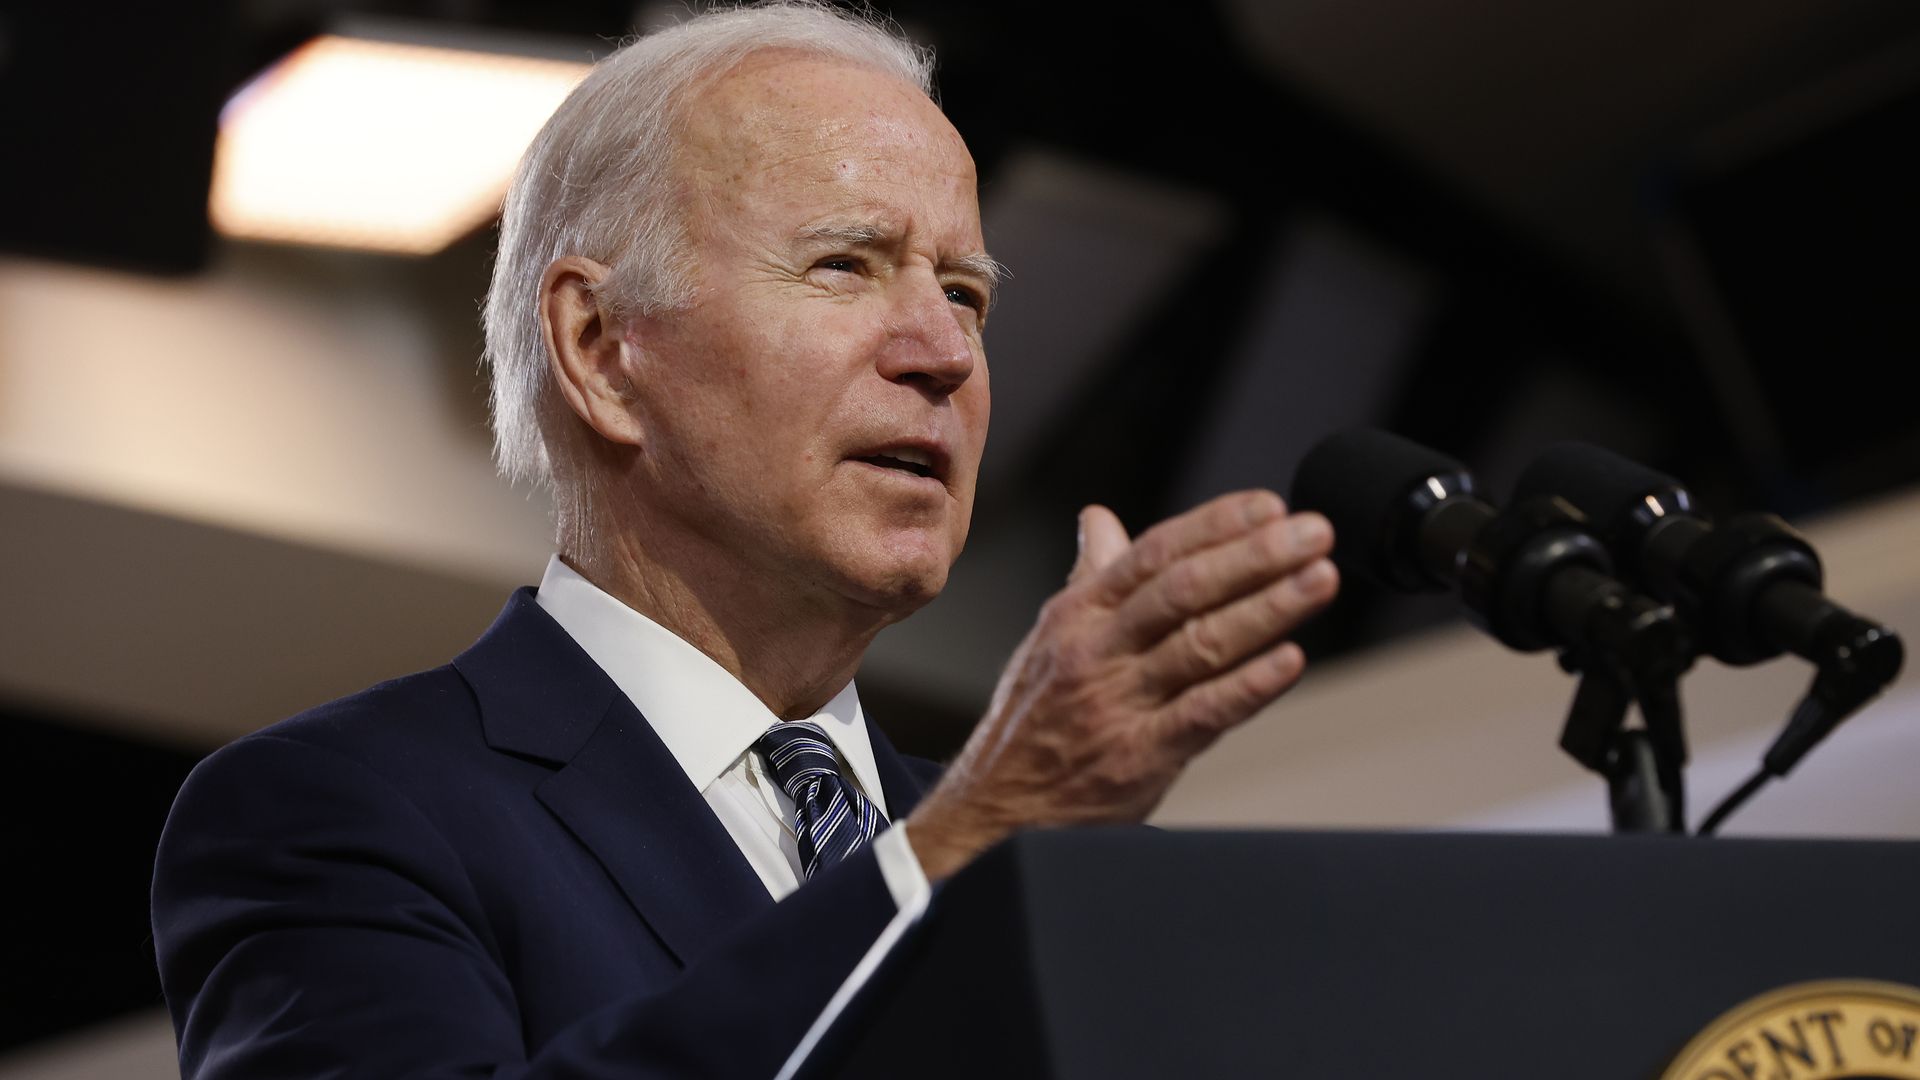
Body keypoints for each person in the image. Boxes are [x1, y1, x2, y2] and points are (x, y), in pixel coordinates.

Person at [150, 2, 1339, 1076]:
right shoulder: (341, 813)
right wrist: (961, 846)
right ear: (604, 348)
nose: (947, 353)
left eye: (966, 293)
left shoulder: (1046, 848)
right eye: (845, 266)